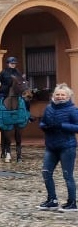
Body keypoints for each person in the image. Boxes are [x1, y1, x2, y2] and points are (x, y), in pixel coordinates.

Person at [36, 83, 78, 211]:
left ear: (68, 96)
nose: (60, 97)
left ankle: (72, 203)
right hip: (51, 146)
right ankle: (52, 200)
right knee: (46, 172)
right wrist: (43, 126)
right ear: (54, 95)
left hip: (67, 147)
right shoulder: (49, 108)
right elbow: (43, 121)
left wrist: (62, 126)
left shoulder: (72, 110)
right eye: (58, 94)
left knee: (67, 175)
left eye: (63, 95)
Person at [0, 55, 25, 127]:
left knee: (26, 101)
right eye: (12, 63)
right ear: (8, 64)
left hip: (16, 93)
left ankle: (28, 116)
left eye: (14, 63)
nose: (13, 65)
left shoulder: (18, 72)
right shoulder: (3, 72)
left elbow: (22, 81)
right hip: (3, 93)